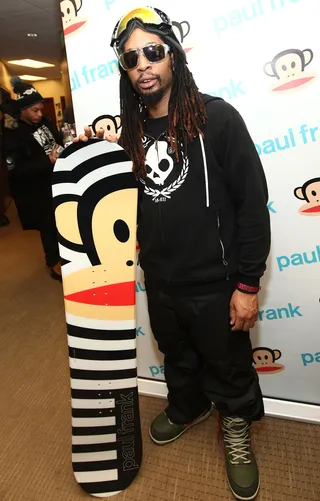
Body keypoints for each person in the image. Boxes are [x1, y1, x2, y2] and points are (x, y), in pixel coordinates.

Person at [76, 6, 271, 500]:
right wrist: (82, 160)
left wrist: (247, 286)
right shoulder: (129, 137)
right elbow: (104, 204)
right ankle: (188, 406)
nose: (142, 64)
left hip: (217, 282)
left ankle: (235, 426)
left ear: (173, 56)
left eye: (152, 52)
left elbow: (252, 206)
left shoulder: (218, 118)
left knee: (228, 365)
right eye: (130, 58)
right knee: (177, 358)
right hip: (160, 281)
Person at [1, 78, 63, 281]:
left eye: (40, 109)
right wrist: (48, 160)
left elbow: (56, 140)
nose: (39, 114)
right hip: (37, 191)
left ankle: (66, 256)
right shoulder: (12, 135)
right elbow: (15, 172)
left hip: (58, 182)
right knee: (48, 227)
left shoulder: (45, 120)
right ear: (22, 110)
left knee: (62, 222)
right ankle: (53, 262)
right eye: (34, 110)